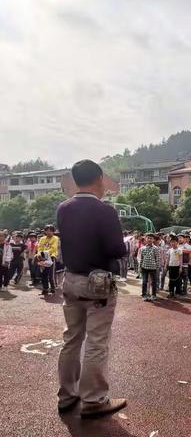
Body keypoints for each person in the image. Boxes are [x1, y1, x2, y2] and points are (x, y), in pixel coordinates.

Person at [56, 159, 127, 418]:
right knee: (96, 342)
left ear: (76, 181)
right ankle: (94, 400)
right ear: (99, 179)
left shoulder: (63, 208)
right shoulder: (105, 211)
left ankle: (66, 395)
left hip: (71, 280)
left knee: (71, 340)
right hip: (96, 282)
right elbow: (116, 249)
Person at [37, 224, 59, 295]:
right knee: (43, 274)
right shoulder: (42, 239)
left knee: (51, 274)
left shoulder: (55, 238)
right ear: (45, 231)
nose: (49, 232)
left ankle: (53, 288)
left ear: (53, 231)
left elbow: (53, 248)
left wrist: (45, 253)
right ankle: (45, 289)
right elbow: (39, 248)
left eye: (51, 231)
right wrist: (40, 255)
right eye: (47, 230)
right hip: (42, 258)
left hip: (51, 257)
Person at [139, 233, 161, 302]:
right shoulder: (143, 248)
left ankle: (153, 295)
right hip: (144, 267)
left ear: (153, 239)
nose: (149, 239)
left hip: (153, 268)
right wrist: (140, 267)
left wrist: (157, 267)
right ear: (145, 239)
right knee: (144, 282)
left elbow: (157, 259)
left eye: (151, 238)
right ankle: (144, 295)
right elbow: (141, 258)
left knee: (154, 282)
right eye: (148, 238)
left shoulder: (156, 248)